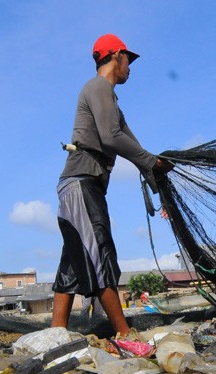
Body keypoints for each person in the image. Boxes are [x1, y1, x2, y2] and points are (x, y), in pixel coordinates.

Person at [51, 34, 174, 337]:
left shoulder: (112, 103)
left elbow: (135, 148)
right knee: (101, 252)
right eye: (128, 60)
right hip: (81, 183)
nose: (130, 68)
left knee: (73, 262)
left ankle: (55, 334)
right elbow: (111, 137)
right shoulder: (98, 87)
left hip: (83, 185)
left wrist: (157, 179)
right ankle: (125, 334)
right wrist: (152, 162)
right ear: (116, 55)